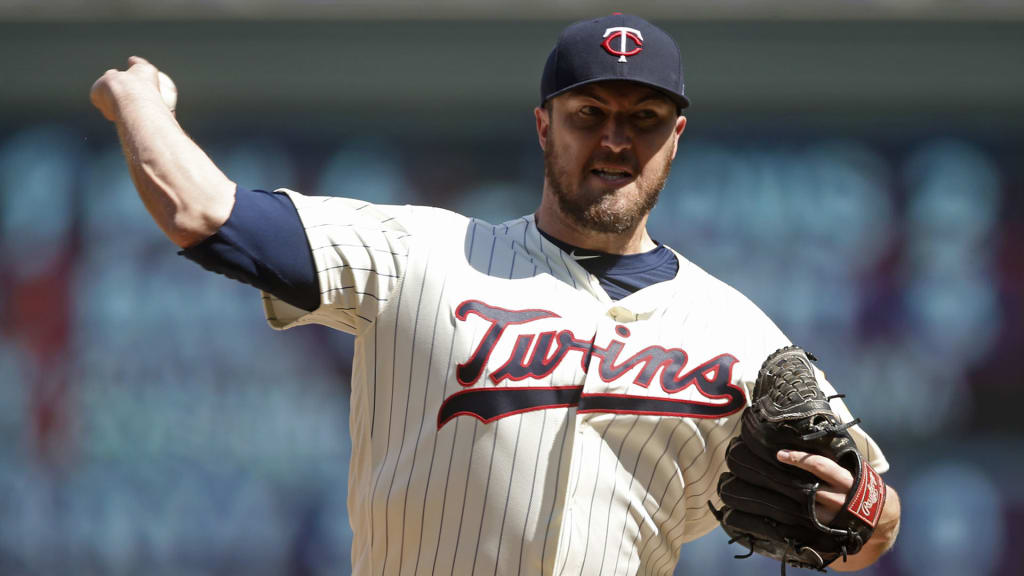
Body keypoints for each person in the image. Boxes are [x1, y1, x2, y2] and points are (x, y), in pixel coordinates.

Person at [91, 13, 900, 575]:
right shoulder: (422, 254)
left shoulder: (737, 332)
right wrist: (137, 104)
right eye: (591, 112)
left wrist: (860, 511)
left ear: (675, 137)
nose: (617, 139)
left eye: (645, 117)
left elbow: (871, 523)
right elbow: (206, 216)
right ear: (545, 125)